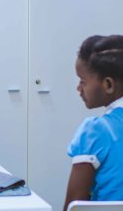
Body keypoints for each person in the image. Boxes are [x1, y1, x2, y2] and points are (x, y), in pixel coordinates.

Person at [63, 35, 123, 211]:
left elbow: (74, 205)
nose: (78, 88)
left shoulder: (96, 131)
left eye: (83, 81)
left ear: (108, 84)